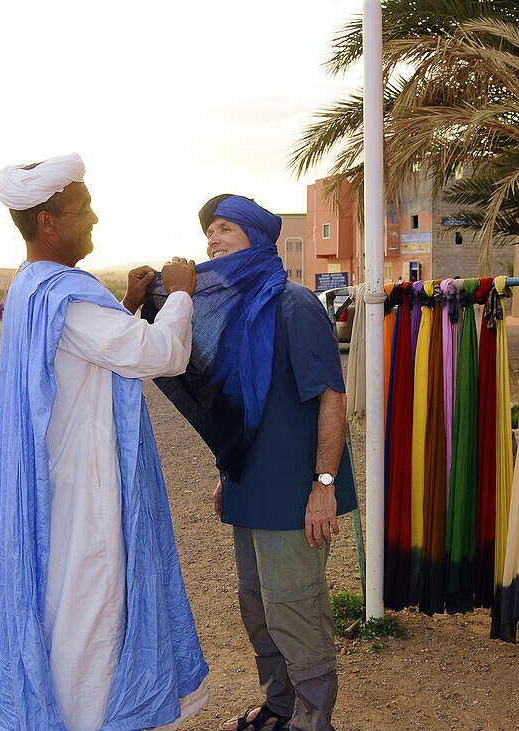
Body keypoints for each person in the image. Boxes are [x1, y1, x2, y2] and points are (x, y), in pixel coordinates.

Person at [0, 153, 208, 731]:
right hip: (87, 494)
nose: (95, 218)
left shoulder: (33, 289)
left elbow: (82, 357)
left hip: (55, 486)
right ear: (49, 222)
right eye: (83, 209)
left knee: (61, 609)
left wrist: (127, 307)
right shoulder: (70, 296)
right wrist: (181, 294)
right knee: (92, 618)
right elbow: (161, 354)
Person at [146, 195, 356, 731]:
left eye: (224, 230)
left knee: (295, 607)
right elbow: (235, 410)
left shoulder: (294, 304)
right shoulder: (237, 315)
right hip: (249, 490)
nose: (212, 242)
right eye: (209, 234)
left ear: (257, 240)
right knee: (257, 607)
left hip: (294, 495)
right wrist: (227, 472)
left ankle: (314, 719)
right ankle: (280, 707)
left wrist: (324, 484)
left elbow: (333, 395)